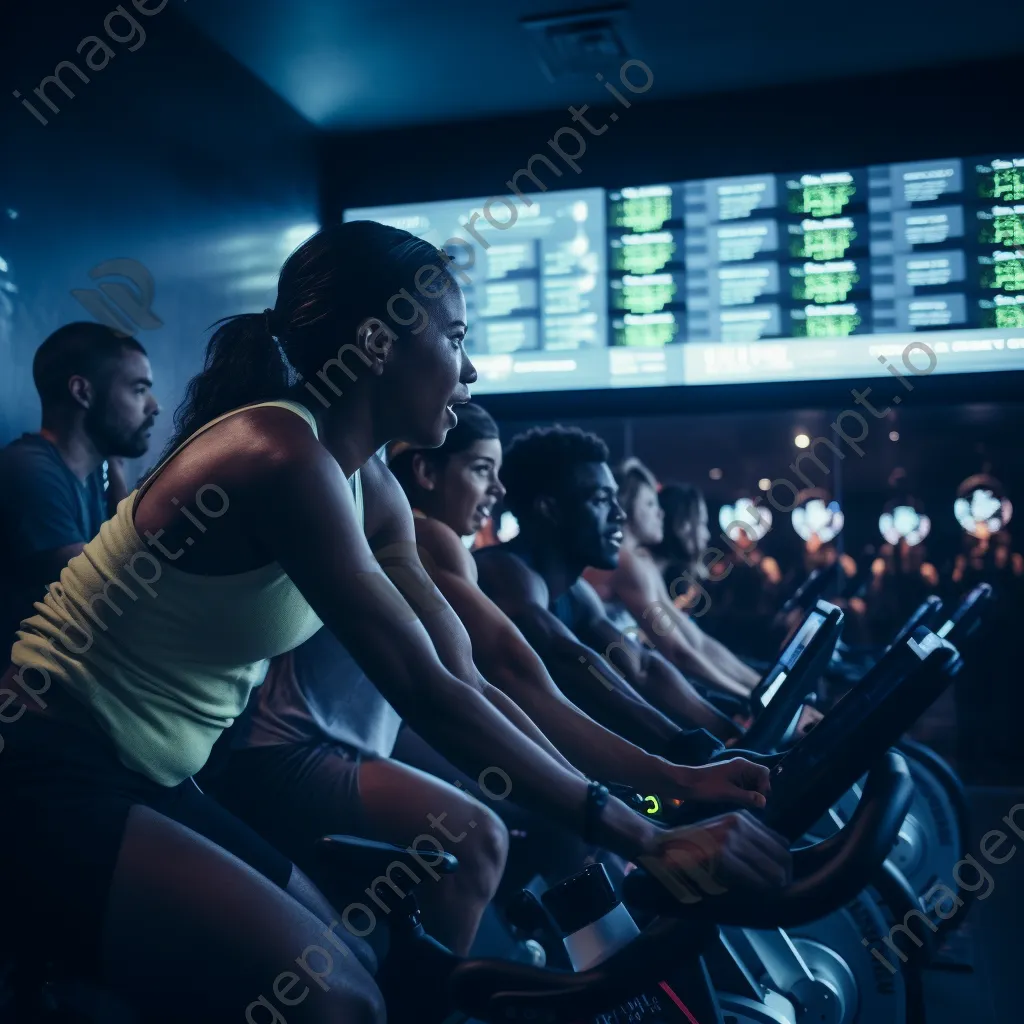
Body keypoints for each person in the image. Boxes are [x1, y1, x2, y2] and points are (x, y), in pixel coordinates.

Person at [0, 222, 791, 1024]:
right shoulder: (280, 453)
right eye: (453, 338)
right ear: (377, 342)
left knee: (359, 961)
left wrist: (675, 782)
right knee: (338, 1002)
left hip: (152, 776)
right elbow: (423, 692)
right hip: (46, 765)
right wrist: (646, 839)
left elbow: (477, 676)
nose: (470, 370)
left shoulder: (367, 487)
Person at [209, 405, 773, 956]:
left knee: (542, 802)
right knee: (483, 834)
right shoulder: (430, 539)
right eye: (482, 469)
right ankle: (480, 993)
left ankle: (551, 956)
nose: (497, 490)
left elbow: (490, 685)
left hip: (338, 741)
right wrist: (666, 779)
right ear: (427, 474)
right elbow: (503, 672)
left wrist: (627, 782)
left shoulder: (400, 517)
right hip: (288, 752)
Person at [472, 425, 746, 757]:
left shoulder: (577, 594)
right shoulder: (503, 572)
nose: (619, 515)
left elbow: (643, 669)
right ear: (549, 509)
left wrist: (733, 733)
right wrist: (693, 750)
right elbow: (572, 660)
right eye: (601, 500)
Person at [0, 321, 159, 650]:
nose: (154, 407)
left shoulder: (92, 471)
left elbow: (122, 541)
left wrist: (115, 458)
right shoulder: (28, 471)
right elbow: (112, 590)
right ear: (82, 392)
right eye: (139, 390)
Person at [586, 461, 760, 699]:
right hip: (599, 687)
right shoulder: (626, 561)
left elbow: (697, 642)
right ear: (625, 507)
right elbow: (679, 653)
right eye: (649, 503)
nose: (660, 513)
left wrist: (763, 689)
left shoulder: (639, 560)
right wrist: (757, 698)